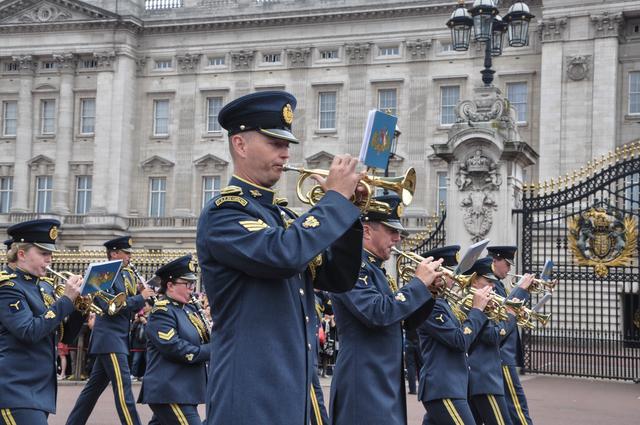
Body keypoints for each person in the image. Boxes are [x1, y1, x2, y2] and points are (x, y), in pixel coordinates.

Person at [196, 90, 365, 425]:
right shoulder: (225, 214)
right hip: (249, 394)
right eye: (275, 143)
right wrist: (333, 200)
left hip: (293, 391)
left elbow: (338, 278)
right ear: (240, 145)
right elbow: (284, 254)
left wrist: (350, 214)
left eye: (287, 145)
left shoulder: (281, 218)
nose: (286, 153)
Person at [329, 194, 443, 425]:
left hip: (381, 379)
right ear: (368, 231)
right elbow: (377, 313)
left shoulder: (376, 270)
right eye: (391, 231)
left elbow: (406, 322)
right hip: (363, 379)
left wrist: (429, 293)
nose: (398, 238)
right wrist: (418, 284)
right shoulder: (352, 267)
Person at [0, 219, 82, 424]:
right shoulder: (8, 288)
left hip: (38, 389)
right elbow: (29, 331)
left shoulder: (43, 286)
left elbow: (64, 335)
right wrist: (65, 300)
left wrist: (80, 307)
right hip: (14, 388)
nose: (49, 260)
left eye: (50, 254)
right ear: (22, 254)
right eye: (44, 254)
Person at [66, 236, 154, 425]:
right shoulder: (102, 273)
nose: (130, 257)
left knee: (91, 391)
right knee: (124, 391)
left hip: (120, 337)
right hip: (110, 338)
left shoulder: (126, 273)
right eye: (126, 253)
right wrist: (140, 297)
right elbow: (110, 307)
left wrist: (144, 295)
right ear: (114, 253)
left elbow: (130, 304)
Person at [416, 245, 491, 425]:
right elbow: (459, 340)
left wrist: (482, 313)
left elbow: (469, 339)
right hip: (443, 387)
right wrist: (477, 310)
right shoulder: (431, 305)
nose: (457, 279)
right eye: (452, 273)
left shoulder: (444, 303)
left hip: (452, 386)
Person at [138, 254, 210, 425]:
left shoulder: (189, 309)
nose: (192, 288)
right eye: (187, 284)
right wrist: (212, 350)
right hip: (170, 391)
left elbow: (204, 338)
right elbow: (175, 348)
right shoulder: (162, 312)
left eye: (192, 284)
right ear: (170, 285)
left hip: (184, 390)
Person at [487, 245, 535, 425]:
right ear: (495, 261)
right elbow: (505, 311)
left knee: (507, 408)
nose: (508, 269)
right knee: (517, 406)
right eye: (506, 264)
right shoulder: (492, 286)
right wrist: (522, 289)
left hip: (504, 353)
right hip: (503, 354)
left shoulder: (498, 285)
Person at [464, 257, 514, 425]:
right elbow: (492, 336)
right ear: (474, 281)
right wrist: (510, 317)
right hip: (484, 379)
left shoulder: (485, 306)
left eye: (493, 281)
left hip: (483, 378)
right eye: (487, 281)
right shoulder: (471, 305)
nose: (492, 286)